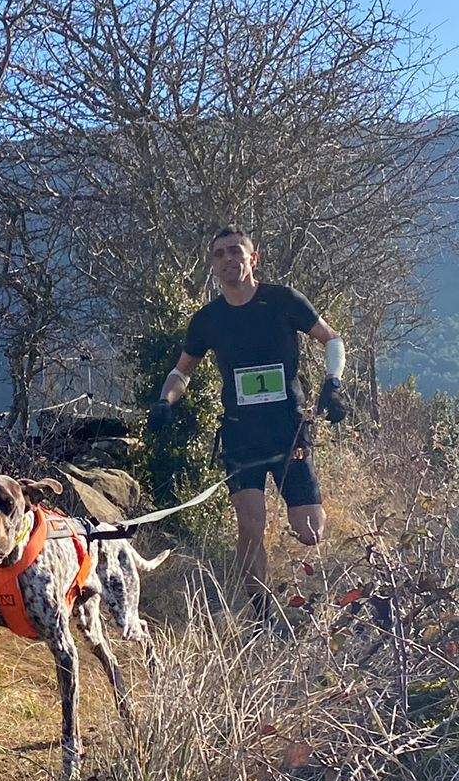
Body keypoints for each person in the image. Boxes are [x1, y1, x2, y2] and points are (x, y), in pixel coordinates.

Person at [147, 226, 346, 623]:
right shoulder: (208, 320)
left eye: (235, 251)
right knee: (251, 526)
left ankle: (307, 596)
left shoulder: (283, 300)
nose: (227, 259)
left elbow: (332, 338)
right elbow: (181, 371)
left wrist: (333, 383)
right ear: (213, 266)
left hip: (288, 431)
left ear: (253, 259)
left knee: (310, 531)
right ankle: (261, 614)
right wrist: (164, 402)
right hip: (241, 434)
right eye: (219, 254)